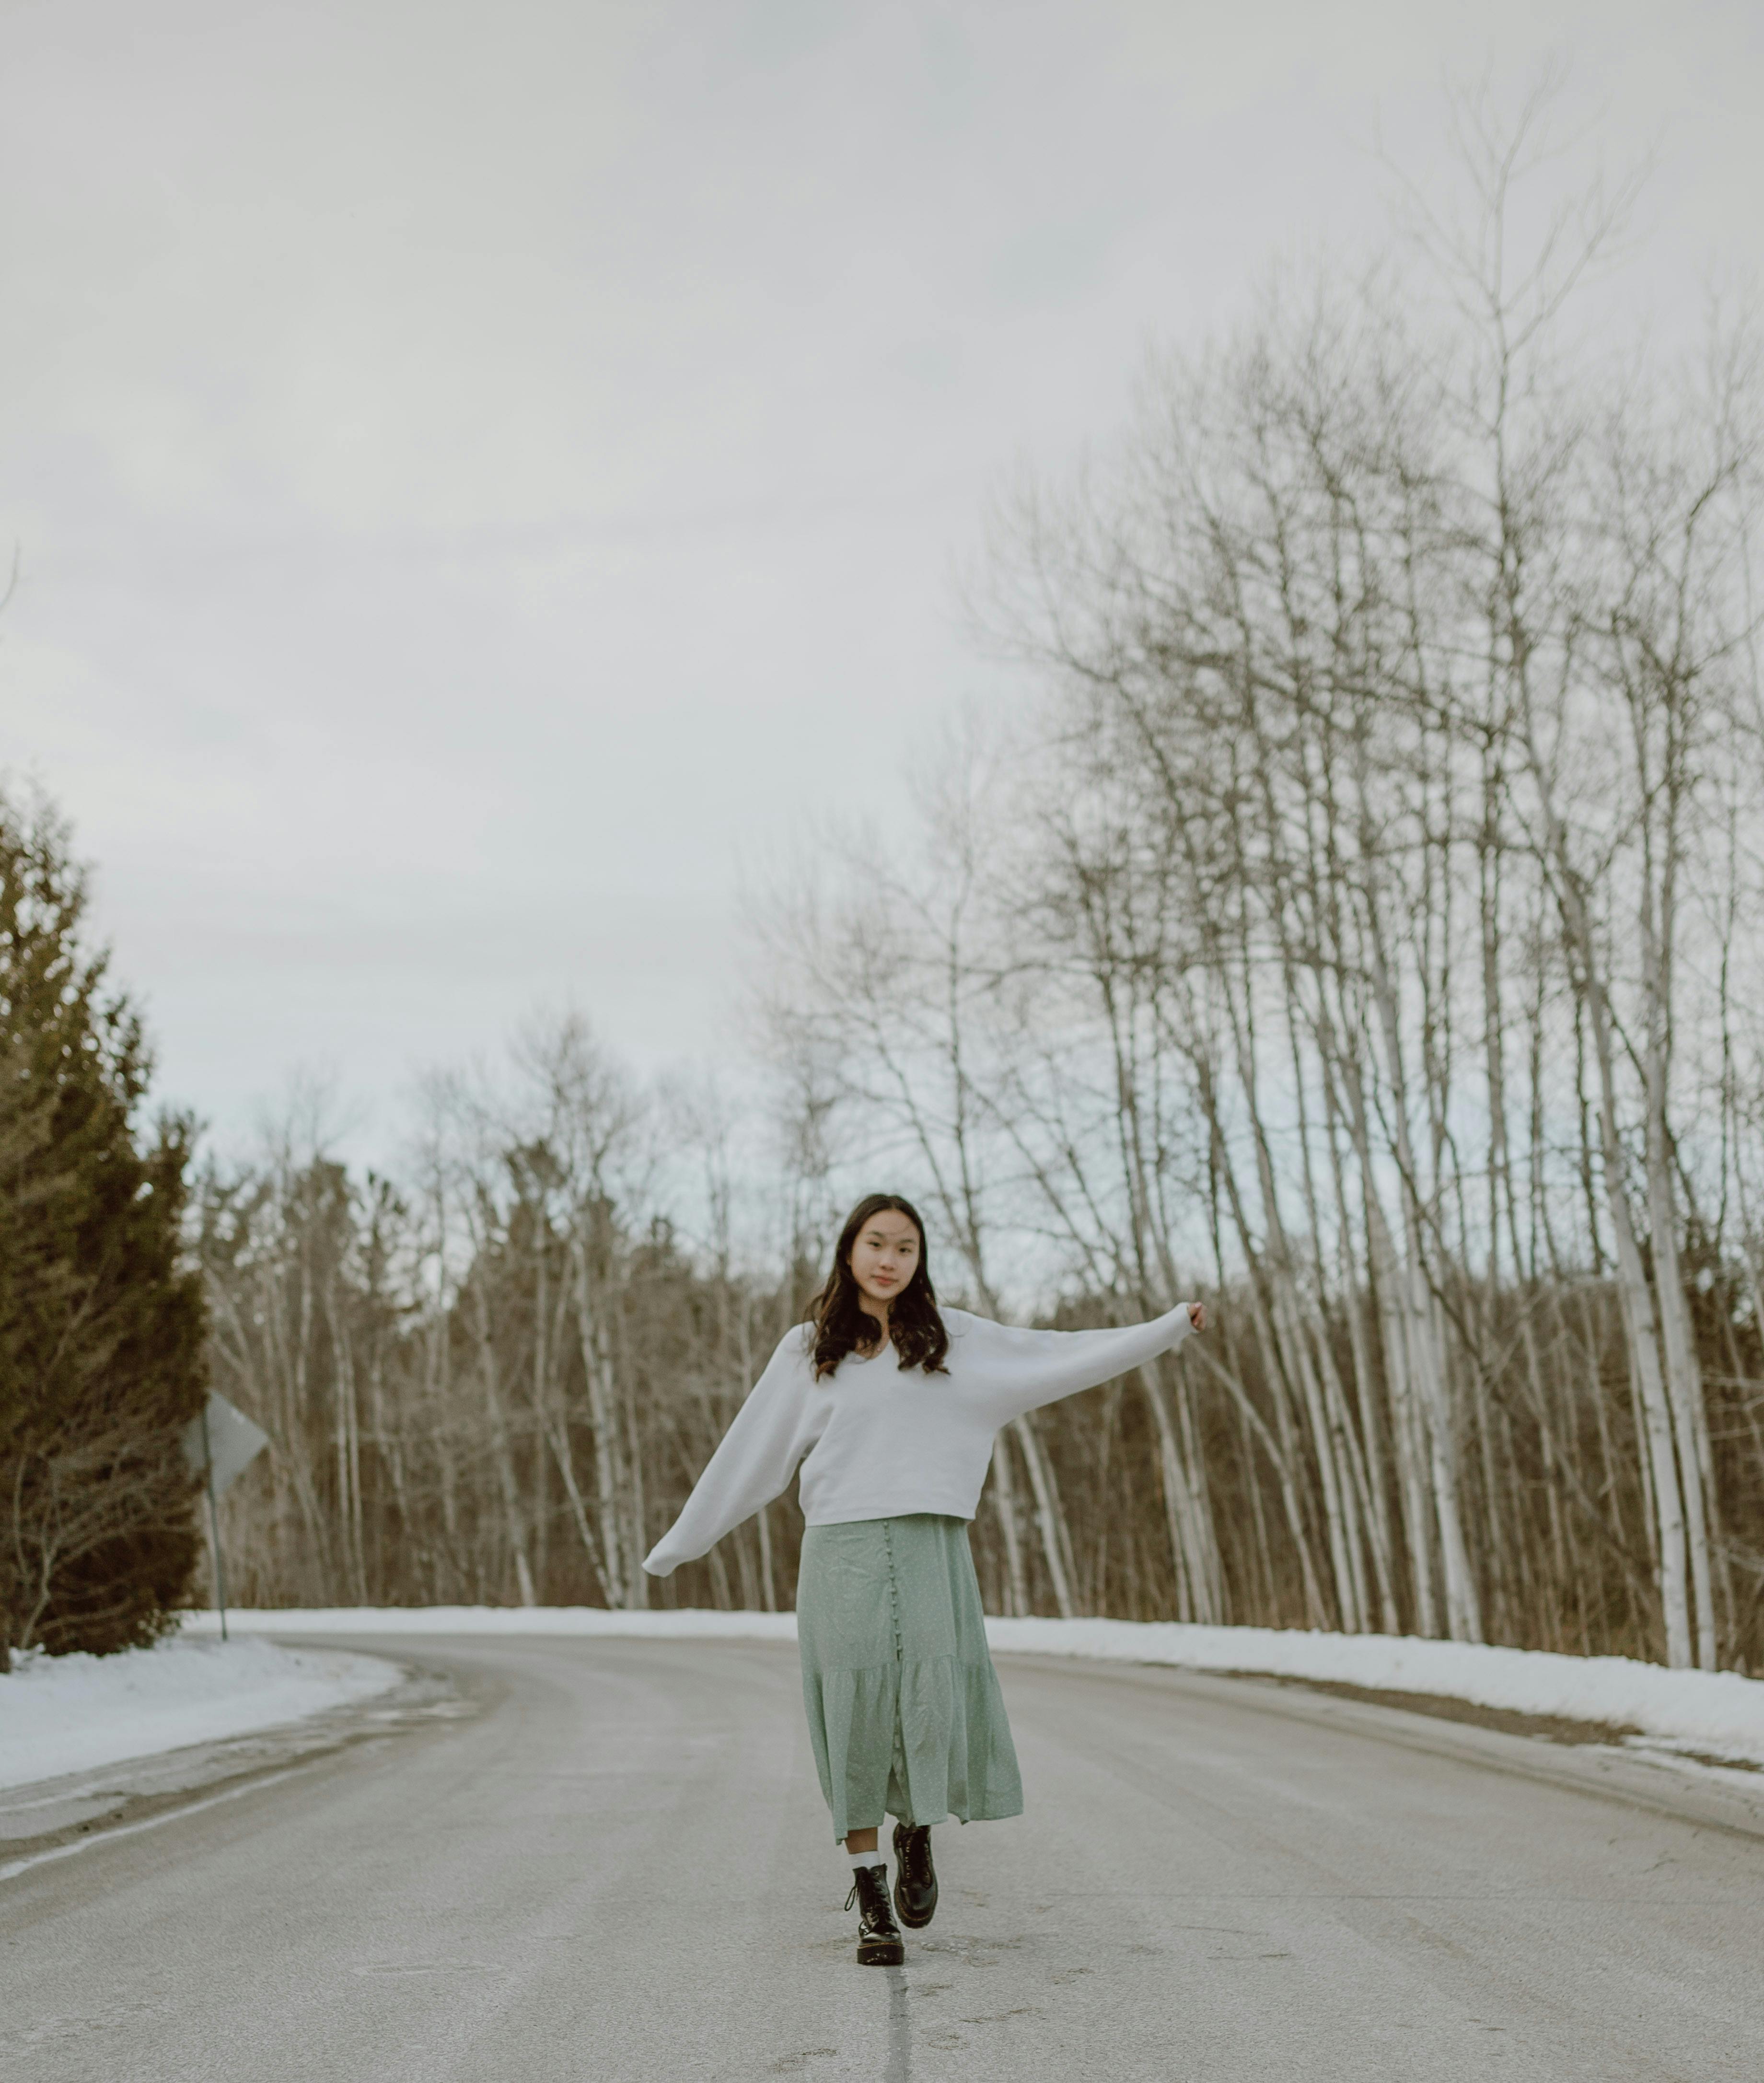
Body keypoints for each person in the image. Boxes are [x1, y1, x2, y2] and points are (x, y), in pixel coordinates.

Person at [642, 1191, 1207, 1967]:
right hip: (839, 1553)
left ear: (919, 1260)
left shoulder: (954, 1341)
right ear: (849, 1251)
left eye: (905, 1248)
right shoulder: (810, 1349)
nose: (888, 1259)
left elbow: (1059, 1353)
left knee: (929, 1703)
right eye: (875, 1243)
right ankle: (869, 1893)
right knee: (856, 1717)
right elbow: (751, 1454)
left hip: (931, 1545)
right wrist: (680, 1543)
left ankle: (917, 1830)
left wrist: (1167, 1328)